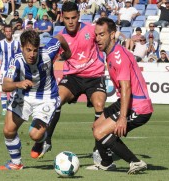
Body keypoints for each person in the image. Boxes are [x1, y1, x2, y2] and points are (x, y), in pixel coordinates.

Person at [30, 2, 107, 160]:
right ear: (62, 18)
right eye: (67, 18)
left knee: (99, 105)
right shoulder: (60, 37)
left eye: (73, 18)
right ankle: (46, 140)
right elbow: (49, 56)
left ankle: (99, 149)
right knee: (55, 100)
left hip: (94, 76)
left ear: (78, 16)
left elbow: (106, 40)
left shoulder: (91, 30)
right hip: (72, 77)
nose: (71, 21)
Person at [87, 17, 153, 174]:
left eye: (102, 34)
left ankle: (135, 162)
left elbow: (126, 87)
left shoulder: (118, 56)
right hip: (128, 101)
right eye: (96, 35)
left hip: (138, 106)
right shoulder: (110, 54)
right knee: (96, 126)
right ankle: (106, 163)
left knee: (100, 132)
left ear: (112, 35)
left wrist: (122, 117)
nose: (97, 39)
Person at [0, 30, 71, 170]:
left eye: (35, 50)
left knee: (35, 135)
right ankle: (16, 163)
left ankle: (43, 141)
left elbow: (60, 37)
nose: (32, 54)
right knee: (8, 130)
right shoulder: (16, 60)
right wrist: (18, 84)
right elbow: (5, 85)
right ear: (22, 47)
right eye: (28, 50)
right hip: (23, 95)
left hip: (47, 97)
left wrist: (68, 53)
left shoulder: (48, 53)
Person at [0, 25, 20, 116]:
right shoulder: (1, 43)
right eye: (6, 31)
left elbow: (20, 56)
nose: (8, 33)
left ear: (12, 32)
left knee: (13, 89)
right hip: (3, 69)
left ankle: (10, 107)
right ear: (4, 32)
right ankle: (4, 109)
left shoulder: (17, 43)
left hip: (13, 69)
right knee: (3, 89)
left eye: (10, 31)